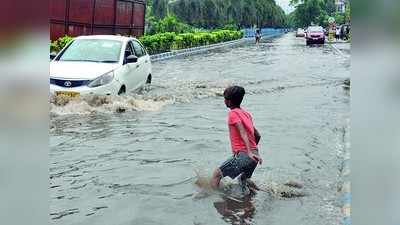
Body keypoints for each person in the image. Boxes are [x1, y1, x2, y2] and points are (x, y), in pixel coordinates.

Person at [210, 86, 263, 193]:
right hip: (255, 157)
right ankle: (263, 194)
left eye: (225, 98)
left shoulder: (232, 113)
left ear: (229, 101)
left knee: (216, 176)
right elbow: (257, 135)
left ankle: (216, 198)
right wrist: (253, 152)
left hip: (245, 154)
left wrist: (247, 152)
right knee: (243, 180)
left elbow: (242, 132)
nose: (224, 101)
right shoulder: (246, 114)